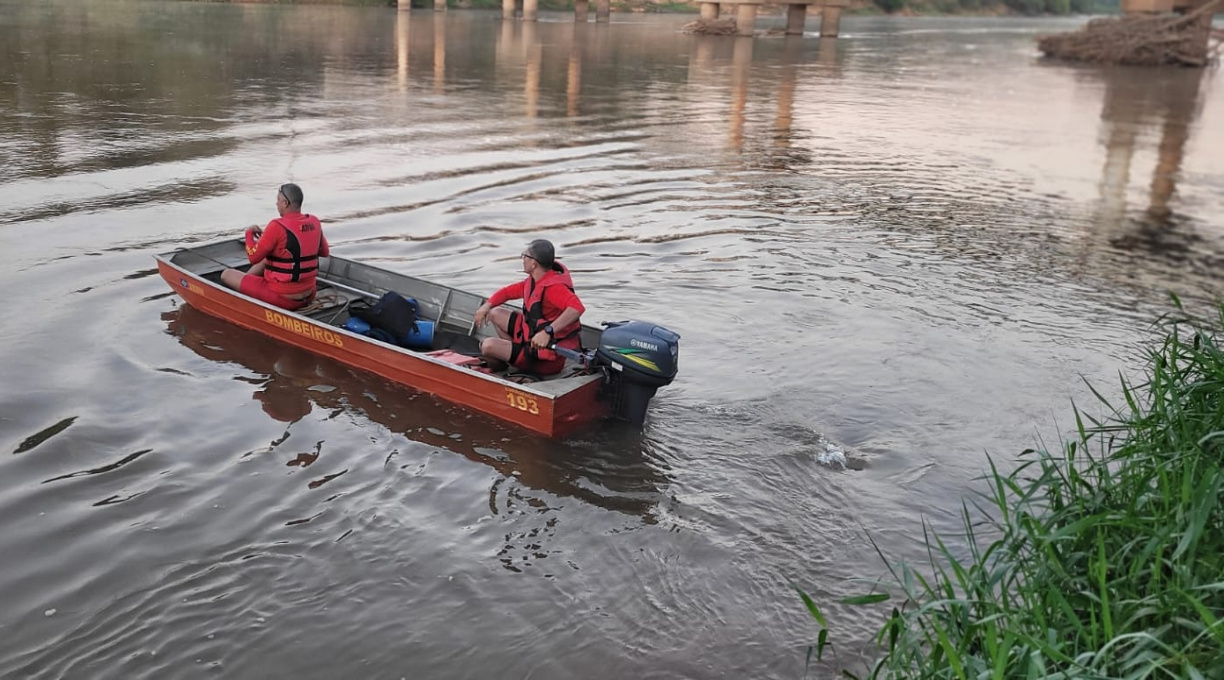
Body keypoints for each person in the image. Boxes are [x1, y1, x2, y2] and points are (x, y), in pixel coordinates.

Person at [473, 239, 585, 376]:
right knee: (494, 313)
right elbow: (508, 292)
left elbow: (577, 308)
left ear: (534, 263)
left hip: (543, 360)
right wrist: (486, 306)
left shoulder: (553, 288)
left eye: (525, 256)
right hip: (529, 337)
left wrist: (547, 332)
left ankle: (519, 360)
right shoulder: (535, 280)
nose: (522, 259)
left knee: (487, 346)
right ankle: (513, 355)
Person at [221, 183, 330, 311]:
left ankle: (244, 288)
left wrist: (249, 233)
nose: (276, 203)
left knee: (226, 274)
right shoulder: (314, 221)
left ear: (285, 203)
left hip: (282, 298)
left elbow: (252, 257)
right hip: (309, 294)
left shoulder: (276, 226)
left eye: (278, 200)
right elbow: (324, 252)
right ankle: (246, 284)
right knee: (266, 260)